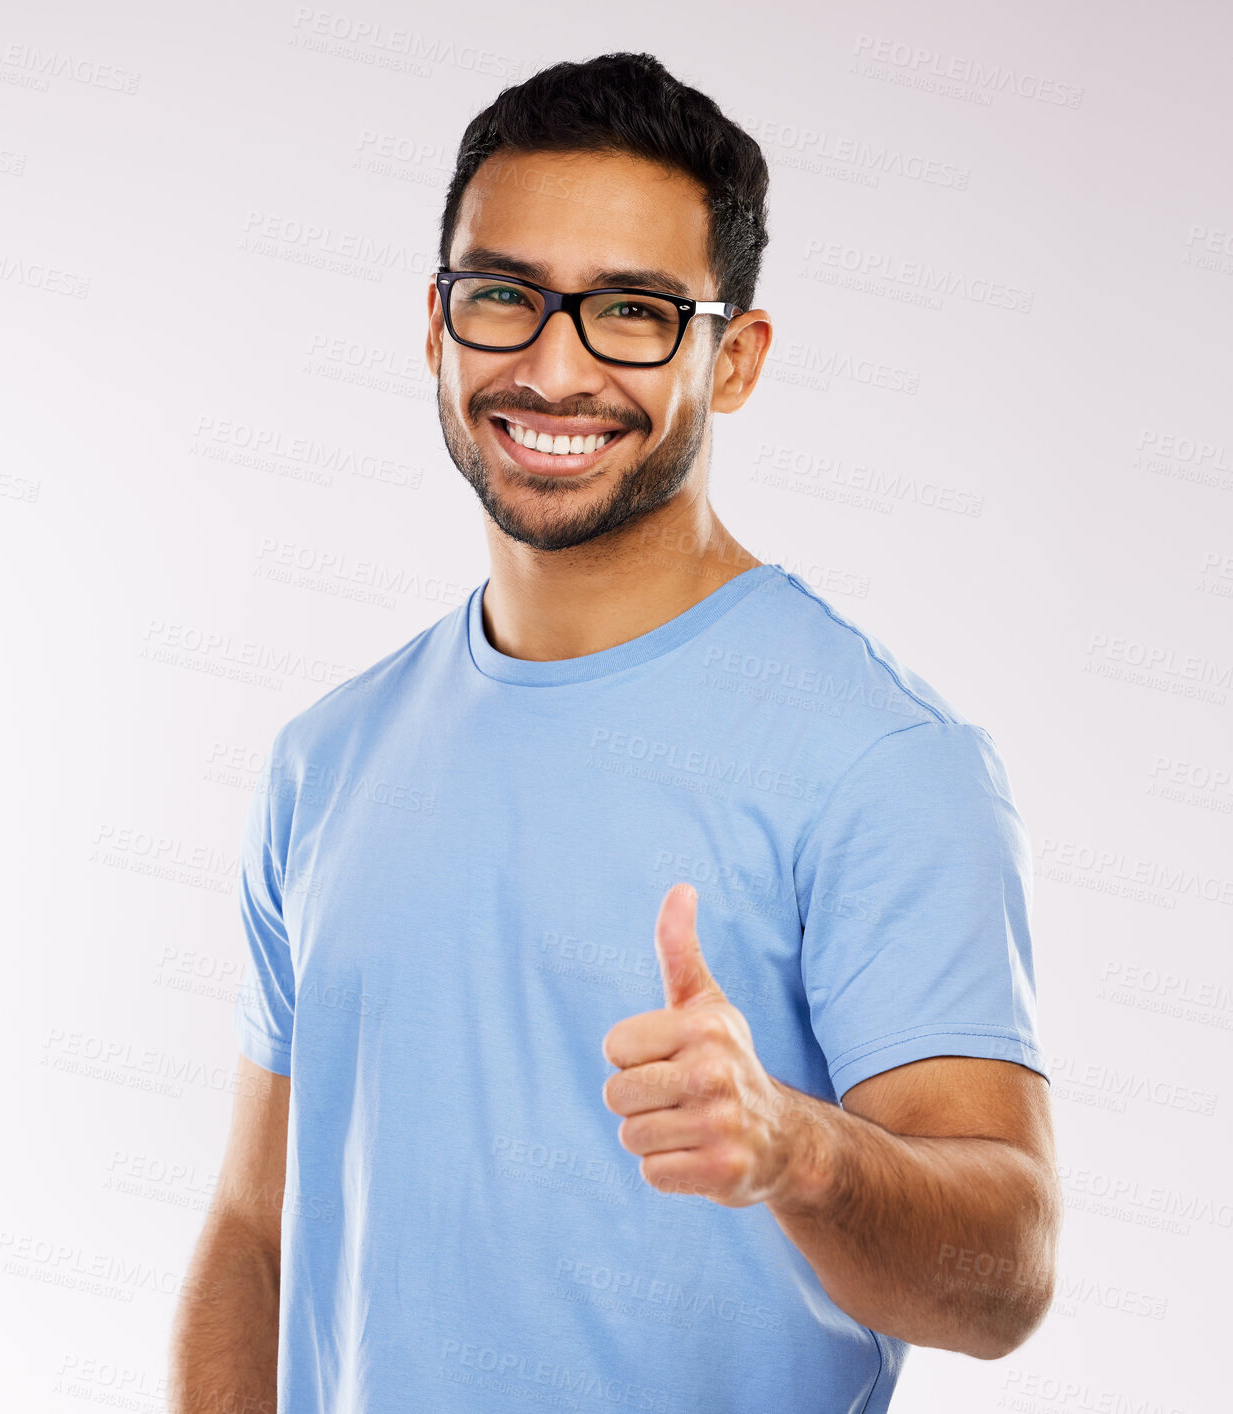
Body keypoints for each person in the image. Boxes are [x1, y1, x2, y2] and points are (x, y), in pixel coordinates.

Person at [169, 50, 1061, 1414]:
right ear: (434, 325)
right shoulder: (324, 759)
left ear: (736, 357)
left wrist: (795, 1149)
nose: (552, 363)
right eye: (503, 296)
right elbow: (253, 1227)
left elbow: (1001, 1275)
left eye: (633, 311)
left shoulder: (886, 761)